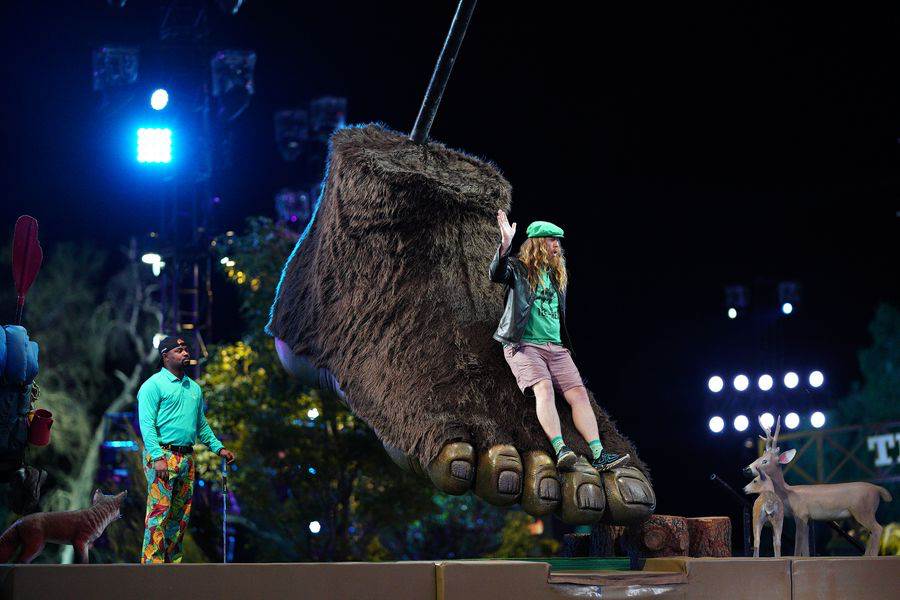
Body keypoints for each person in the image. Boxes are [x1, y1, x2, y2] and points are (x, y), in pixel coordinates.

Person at [489, 210, 628, 473]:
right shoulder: (518, 269)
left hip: (555, 348)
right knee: (544, 388)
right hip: (524, 345)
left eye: (558, 241)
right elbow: (496, 273)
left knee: (579, 394)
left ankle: (599, 454)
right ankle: (560, 448)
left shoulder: (556, 276)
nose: (557, 245)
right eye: (552, 239)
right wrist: (505, 245)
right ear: (538, 243)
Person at [137, 335, 235, 564]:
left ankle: (173, 566)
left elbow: (201, 424)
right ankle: (152, 567)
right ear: (165, 356)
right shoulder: (153, 385)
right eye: (179, 350)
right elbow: (146, 425)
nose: (185, 352)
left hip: (186, 457)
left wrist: (218, 448)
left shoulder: (194, 388)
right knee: (159, 512)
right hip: (162, 455)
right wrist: (157, 457)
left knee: (180, 517)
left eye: (185, 349)